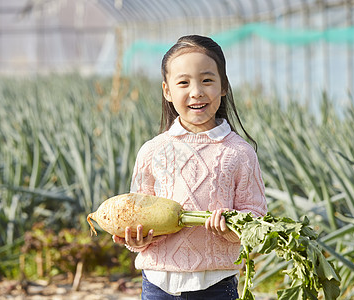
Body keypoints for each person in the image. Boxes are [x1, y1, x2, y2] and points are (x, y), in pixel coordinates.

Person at [113, 35, 267, 300]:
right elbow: (137, 214)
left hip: (215, 284)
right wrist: (137, 240)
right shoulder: (152, 151)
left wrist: (231, 230)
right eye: (183, 82)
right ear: (167, 91)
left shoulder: (239, 153)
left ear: (223, 87)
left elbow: (256, 217)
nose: (196, 91)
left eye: (207, 80)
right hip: (157, 284)